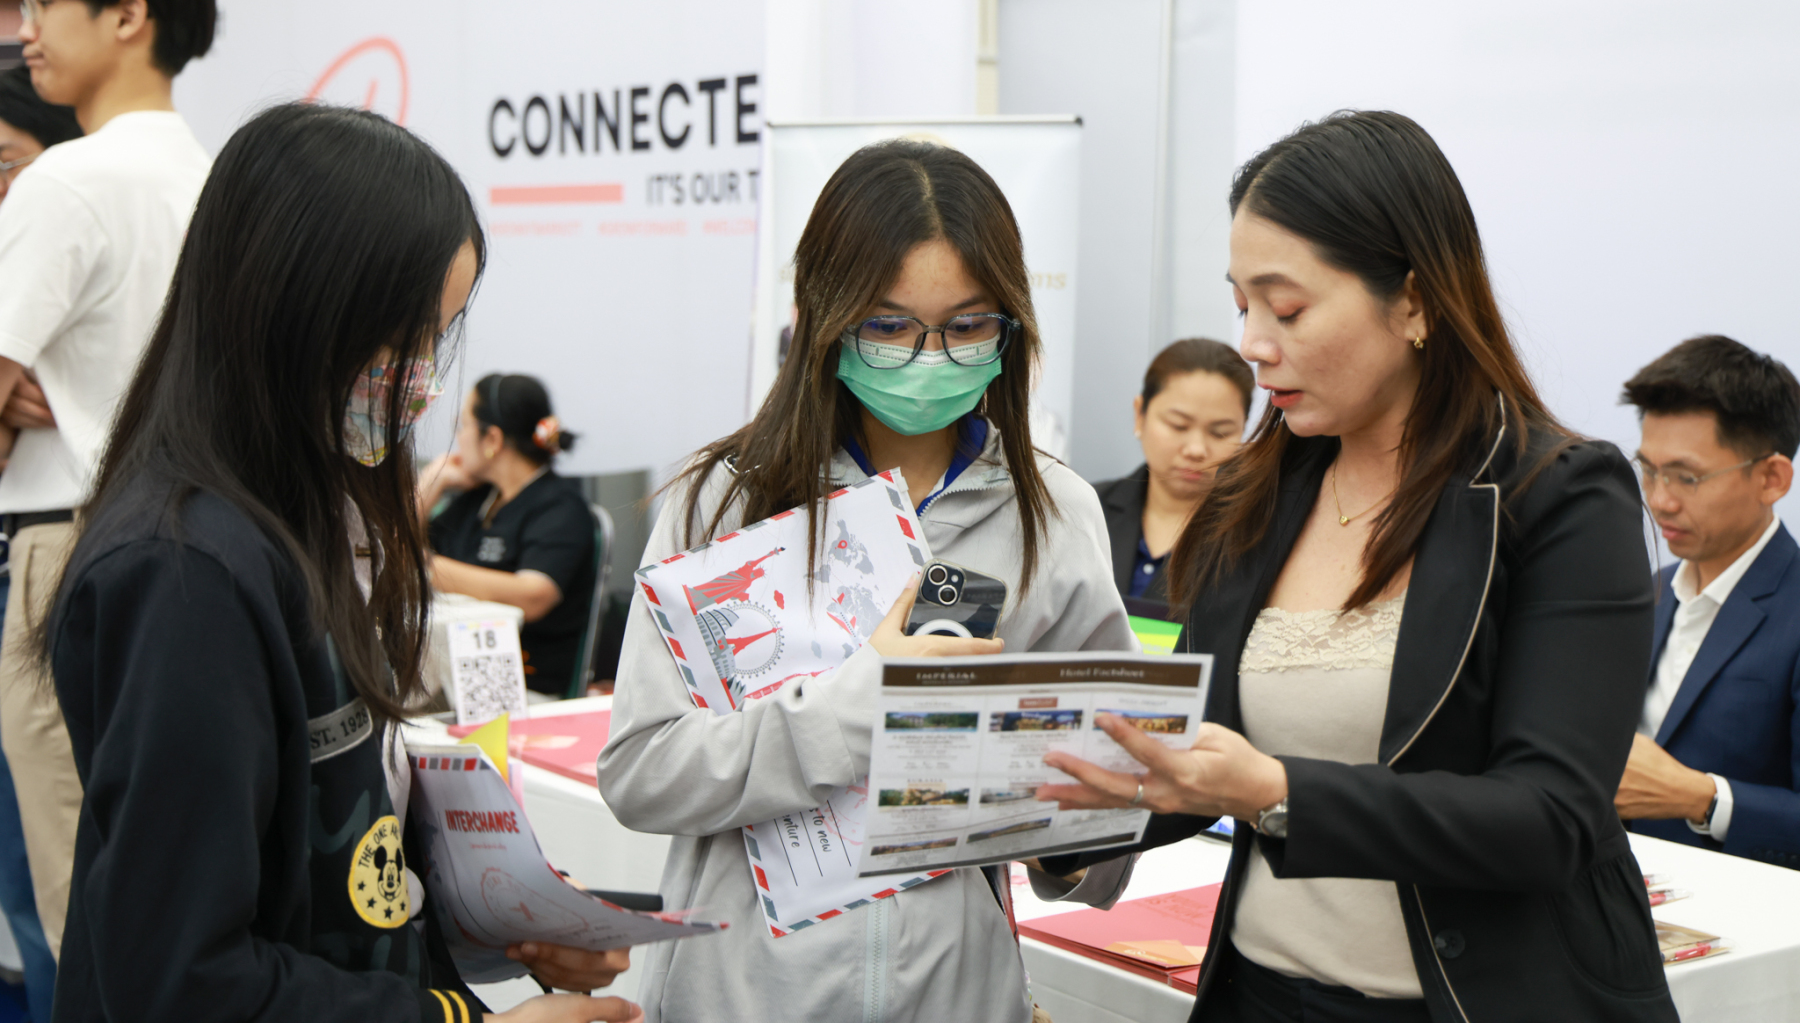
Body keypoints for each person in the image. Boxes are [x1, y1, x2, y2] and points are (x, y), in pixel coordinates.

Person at [1035, 111, 1678, 1022]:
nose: (1255, 343)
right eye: (1242, 306)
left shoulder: (1556, 497)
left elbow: (1549, 819)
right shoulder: (1251, 494)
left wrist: (1278, 792)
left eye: (1288, 308)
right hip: (1261, 993)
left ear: (1412, 301)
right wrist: (1041, 815)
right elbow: (1198, 762)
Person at [39, 102, 640, 1022]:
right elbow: (180, 980)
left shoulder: (306, 519)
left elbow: (334, 854)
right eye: (405, 338)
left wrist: (494, 915)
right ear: (295, 307)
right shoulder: (186, 575)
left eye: (438, 337)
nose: (422, 378)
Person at [597, 139, 1137, 1023]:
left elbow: (1102, 805)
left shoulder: (1056, 512)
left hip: (957, 996)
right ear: (825, 318)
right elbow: (643, 773)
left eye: (967, 326)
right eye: (888, 327)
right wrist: (859, 708)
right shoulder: (725, 500)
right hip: (742, 996)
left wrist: (1070, 837)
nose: (931, 357)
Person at [0, 0, 217, 970]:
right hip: (196, 546)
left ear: (129, 15)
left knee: (68, 905)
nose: (24, 31)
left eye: (42, 2)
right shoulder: (217, 177)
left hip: (66, 547)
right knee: (156, 881)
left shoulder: (68, 178)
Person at [1615, 336, 1800, 869]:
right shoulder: (1643, 592)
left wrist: (1704, 798)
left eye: (1687, 477)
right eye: (1648, 470)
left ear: (1771, 479)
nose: (1659, 499)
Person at [0, 62, 81, 1023]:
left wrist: (72, 397)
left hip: (50, 551)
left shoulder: (74, 227)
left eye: (6, 161)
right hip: (23, 549)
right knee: (22, 878)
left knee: (58, 873)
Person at [420, 373, 598, 697]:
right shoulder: (477, 499)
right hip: (455, 676)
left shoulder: (560, 507)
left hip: (524, 689)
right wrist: (431, 483)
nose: (458, 439)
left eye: (463, 426)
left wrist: (426, 569)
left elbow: (533, 595)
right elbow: (389, 551)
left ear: (492, 439)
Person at [1094, 338, 1252, 604]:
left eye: (1220, 432)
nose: (1196, 449)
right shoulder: (1087, 509)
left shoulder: (1255, 535)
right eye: (1178, 425)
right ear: (1140, 415)